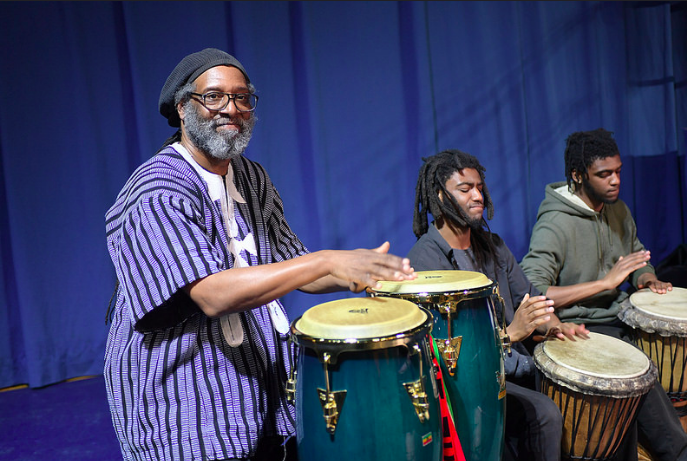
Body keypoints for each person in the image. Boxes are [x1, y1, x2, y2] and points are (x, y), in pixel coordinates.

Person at [104, 48, 416, 461]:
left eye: (242, 97)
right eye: (214, 97)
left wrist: (362, 272)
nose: (231, 109)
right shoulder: (156, 189)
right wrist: (326, 260)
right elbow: (212, 293)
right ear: (183, 108)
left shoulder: (251, 177)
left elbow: (293, 266)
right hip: (184, 400)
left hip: (259, 387)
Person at [406, 149, 589, 461]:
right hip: (469, 382)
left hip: (518, 365)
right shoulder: (426, 261)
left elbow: (529, 298)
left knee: (590, 385)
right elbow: (449, 352)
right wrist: (510, 334)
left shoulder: (494, 247)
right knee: (545, 414)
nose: (478, 195)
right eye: (465, 189)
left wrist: (556, 325)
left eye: (479, 187)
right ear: (440, 196)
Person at [520, 128, 687, 460]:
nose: (615, 181)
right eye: (604, 174)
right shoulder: (554, 224)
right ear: (578, 175)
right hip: (581, 327)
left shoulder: (618, 210)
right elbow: (534, 289)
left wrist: (647, 278)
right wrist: (604, 284)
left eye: (618, 172)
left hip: (620, 317)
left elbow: (635, 256)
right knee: (640, 375)